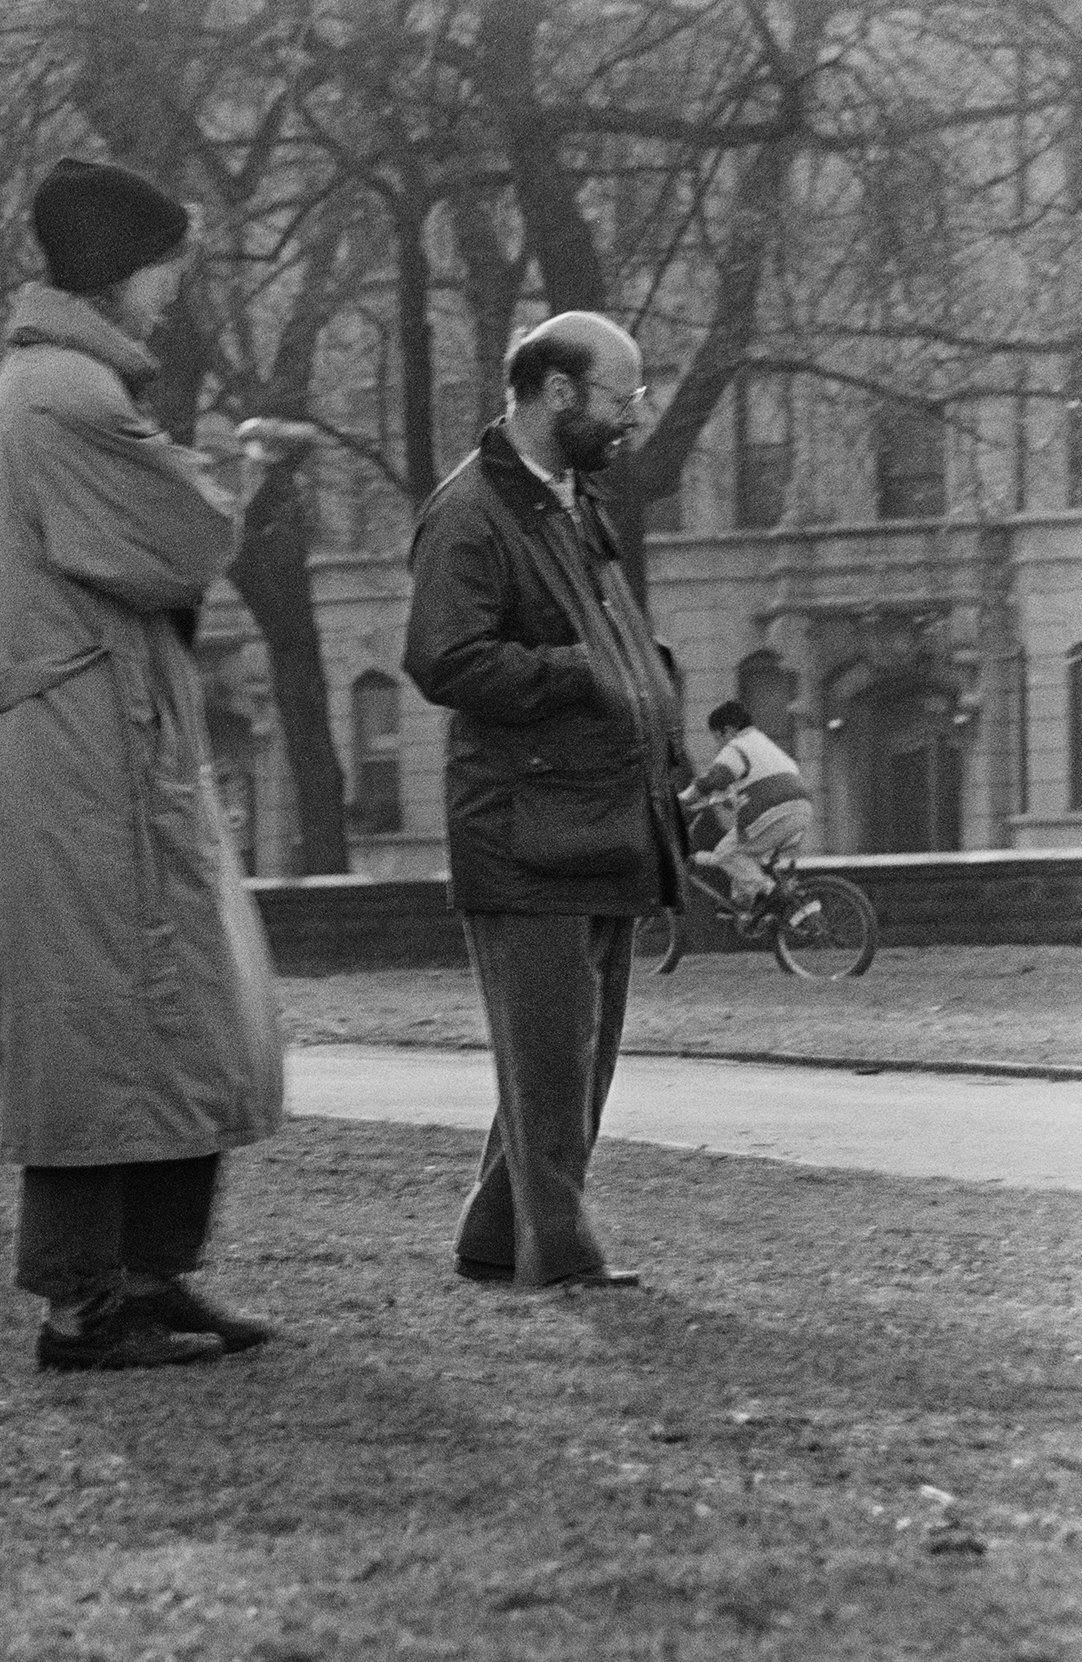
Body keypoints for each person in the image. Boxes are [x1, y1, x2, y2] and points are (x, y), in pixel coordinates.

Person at [0, 156, 285, 1372]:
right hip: (96, 761)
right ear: (123, 268)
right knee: (108, 1021)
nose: (174, 292)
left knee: (166, 1017)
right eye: (167, 266)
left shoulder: (56, 388)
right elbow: (182, 542)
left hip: (110, 746)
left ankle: (149, 1276)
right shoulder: (65, 399)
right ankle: (88, 1300)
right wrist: (224, 480)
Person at [400, 311, 692, 1292]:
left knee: (572, 1058)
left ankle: (495, 1236)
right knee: (552, 1061)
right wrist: (580, 671)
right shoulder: (471, 511)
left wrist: (658, 727)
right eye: (619, 397)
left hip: (601, 821)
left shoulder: (570, 503)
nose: (633, 417)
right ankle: (558, 1258)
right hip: (526, 834)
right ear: (558, 392)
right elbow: (444, 659)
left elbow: (619, 651)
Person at [678, 701, 815, 920]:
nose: (719, 743)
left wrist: (682, 799)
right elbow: (754, 782)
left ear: (729, 730)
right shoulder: (765, 744)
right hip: (801, 810)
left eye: (718, 736)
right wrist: (728, 800)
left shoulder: (737, 746)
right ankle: (747, 905)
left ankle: (769, 891)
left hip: (773, 810)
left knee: (726, 851)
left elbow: (713, 779)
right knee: (741, 852)